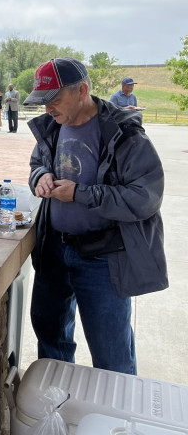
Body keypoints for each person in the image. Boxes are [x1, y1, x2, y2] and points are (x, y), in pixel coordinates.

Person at [23, 57, 167, 375]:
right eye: (42, 100)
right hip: (54, 251)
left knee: (112, 355)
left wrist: (80, 194)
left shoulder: (124, 134)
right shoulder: (52, 126)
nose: (47, 108)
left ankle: (118, 409)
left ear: (82, 91)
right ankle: (56, 402)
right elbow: (37, 163)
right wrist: (41, 176)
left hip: (103, 259)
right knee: (52, 343)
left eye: (54, 98)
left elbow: (145, 198)